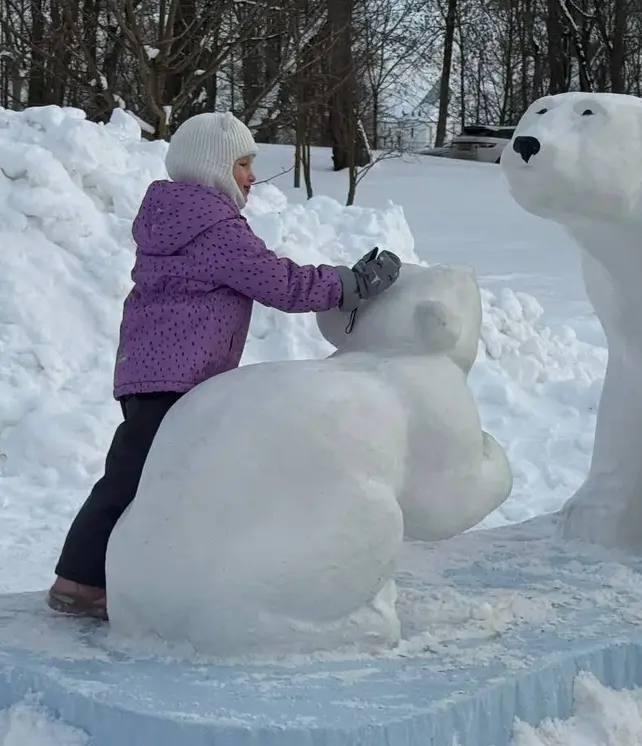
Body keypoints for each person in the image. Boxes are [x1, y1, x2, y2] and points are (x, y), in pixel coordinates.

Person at [46, 111, 401, 619]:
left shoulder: (171, 218)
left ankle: (129, 576)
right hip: (176, 376)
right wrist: (347, 285)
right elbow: (279, 282)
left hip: (154, 371)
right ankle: (79, 582)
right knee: (136, 477)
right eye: (242, 163)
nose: (252, 176)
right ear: (213, 166)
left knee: (151, 475)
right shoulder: (213, 227)